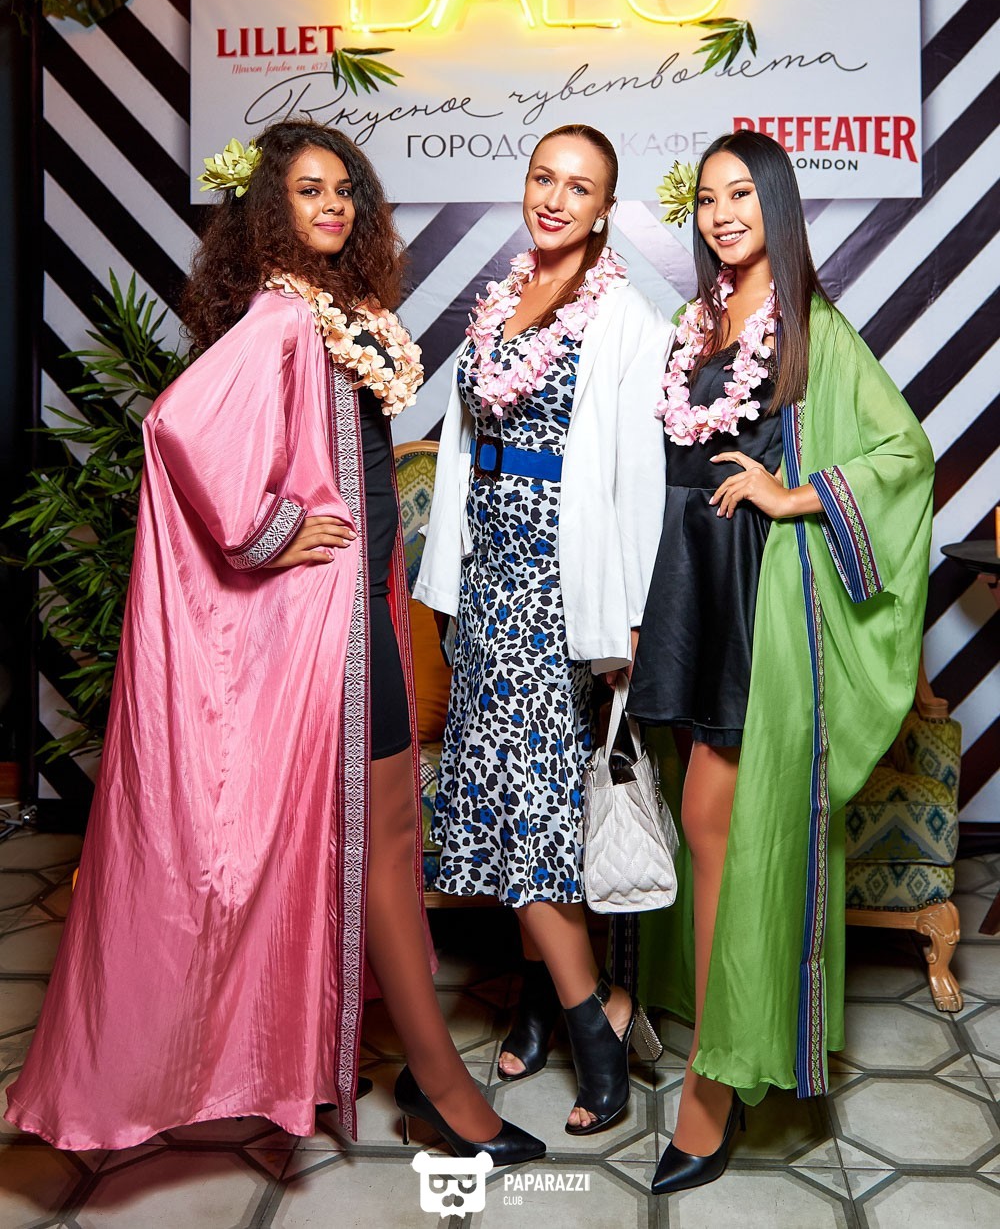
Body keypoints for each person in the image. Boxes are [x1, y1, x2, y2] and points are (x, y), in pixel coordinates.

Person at [5, 120, 543, 1167]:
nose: (333, 204)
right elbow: (179, 427)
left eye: (344, 189)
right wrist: (275, 530)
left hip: (366, 613)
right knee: (385, 841)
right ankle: (439, 1088)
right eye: (308, 190)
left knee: (385, 839)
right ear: (271, 211)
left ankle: (401, 1074)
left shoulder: (343, 312)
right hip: (327, 631)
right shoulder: (285, 317)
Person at [626, 129, 934, 1194]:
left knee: (723, 823)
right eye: (708, 199)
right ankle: (724, 1039)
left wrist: (792, 494)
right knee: (702, 825)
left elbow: (902, 453)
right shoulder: (696, 324)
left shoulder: (813, 328)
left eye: (741, 195)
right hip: (690, 593)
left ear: (777, 205)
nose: (722, 214)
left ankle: (713, 1089)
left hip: (764, 600)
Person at [415, 124, 672, 1135]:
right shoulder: (501, 298)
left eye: (580, 186)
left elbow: (639, 479)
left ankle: (597, 1025)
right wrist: (447, 582)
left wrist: (633, 617)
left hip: (558, 587)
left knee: (533, 811)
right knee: (511, 803)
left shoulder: (626, 317)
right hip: (485, 577)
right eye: (543, 178)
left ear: (606, 207)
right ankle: (536, 1002)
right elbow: (460, 446)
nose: (555, 199)